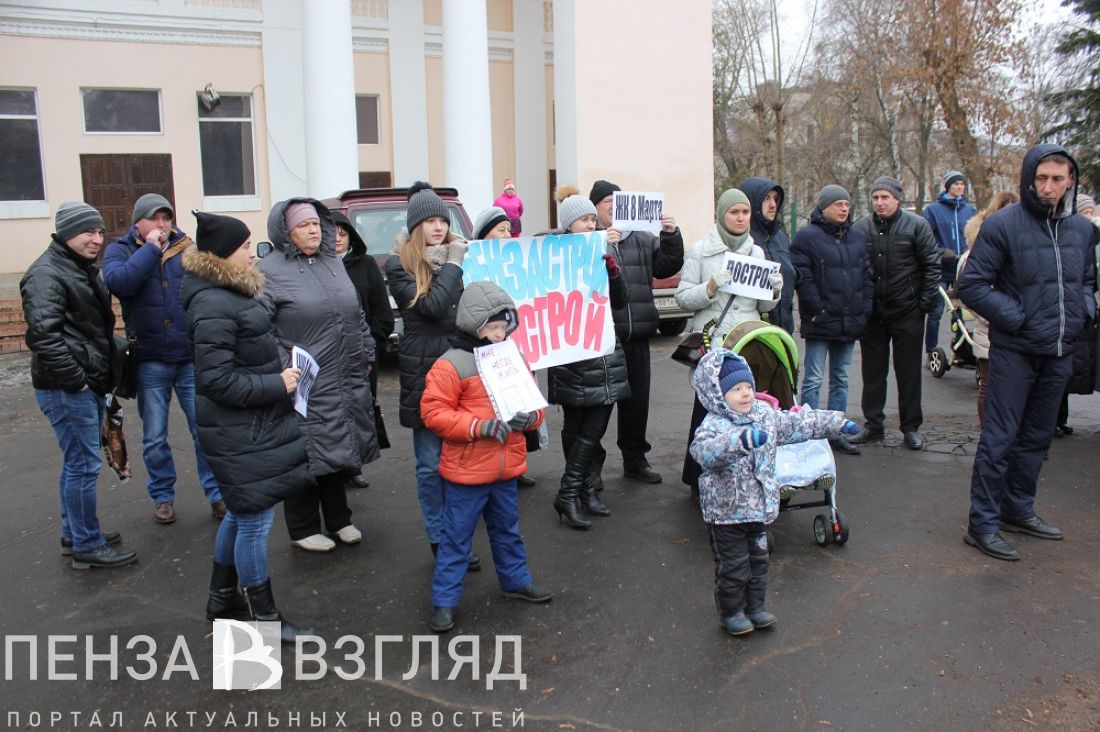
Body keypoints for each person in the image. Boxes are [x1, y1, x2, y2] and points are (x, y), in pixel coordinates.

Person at [957, 144, 1097, 561]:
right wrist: (1017, 318)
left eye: (1058, 178)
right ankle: (982, 523)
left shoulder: (1083, 231)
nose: (1050, 187)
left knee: (1037, 438)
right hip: (1015, 351)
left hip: (1059, 351)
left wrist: (1082, 311)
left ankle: (1017, 509)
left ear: (1070, 180)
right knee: (1000, 439)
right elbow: (972, 284)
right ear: (1029, 180)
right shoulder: (1003, 226)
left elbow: (1087, 280)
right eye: (1042, 179)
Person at [181, 211, 315, 643]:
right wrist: (275, 383)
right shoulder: (213, 302)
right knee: (254, 521)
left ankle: (222, 599)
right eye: (244, 247)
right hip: (239, 429)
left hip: (248, 425)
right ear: (222, 254)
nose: (253, 254)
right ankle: (264, 618)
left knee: (241, 513)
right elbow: (215, 379)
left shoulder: (230, 293)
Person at [690, 350, 858, 635]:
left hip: (759, 510)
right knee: (733, 567)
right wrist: (740, 441)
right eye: (735, 389)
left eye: (748, 387)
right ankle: (732, 612)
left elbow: (799, 423)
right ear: (717, 394)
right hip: (726, 515)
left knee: (759, 563)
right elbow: (705, 453)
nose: (745, 394)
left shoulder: (765, 416)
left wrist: (836, 423)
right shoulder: (713, 425)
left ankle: (755, 607)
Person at [420, 281, 552, 633]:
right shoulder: (451, 364)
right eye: (492, 328)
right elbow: (433, 413)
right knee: (456, 537)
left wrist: (531, 419)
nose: (499, 334)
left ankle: (515, 581)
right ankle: (444, 601)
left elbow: (535, 404)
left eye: (503, 327)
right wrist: (479, 426)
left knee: (508, 530)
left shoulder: (512, 356)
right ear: (473, 325)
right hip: (467, 473)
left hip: (505, 468)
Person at [22, 201, 138, 569]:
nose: (97, 238)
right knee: (84, 465)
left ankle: (75, 532)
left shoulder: (77, 267)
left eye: (100, 231)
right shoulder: (46, 274)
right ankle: (87, 543)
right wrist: (77, 382)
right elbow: (43, 336)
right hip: (66, 387)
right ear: (67, 232)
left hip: (80, 382)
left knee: (76, 462)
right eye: (88, 231)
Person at [258, 198, 378, 553]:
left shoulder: (331, 263)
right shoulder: (270, 270)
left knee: (338, 447)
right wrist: (285, 366)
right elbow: (260, 328)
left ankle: (340, 518)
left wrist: (367, 350)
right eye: (303, 225)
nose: (313, 230)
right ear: (285, 231)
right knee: (305, 451)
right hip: (303, 380)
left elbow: (355, 314)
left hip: (344, 374)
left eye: (315, 224)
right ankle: (303, 526)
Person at [102, 193, 225, 524]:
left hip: (187, 356)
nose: (162, 225)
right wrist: (150, 250)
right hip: (149, 359)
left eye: (166, 218)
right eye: (155, 219)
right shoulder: (120, 250)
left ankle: (216, 494)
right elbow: (121, 284)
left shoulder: (187, 247)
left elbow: (211, 285)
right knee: (155, 435)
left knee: (204, 429)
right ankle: (163, 495)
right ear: (138, 222)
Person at [386, 182, 479, 570]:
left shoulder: (462, 257)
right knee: (430, 464)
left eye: (443, 219)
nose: (438, 227)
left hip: (460, 367)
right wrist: (456, 264)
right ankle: (439, 538)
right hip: (424, 372)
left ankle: (458, 538)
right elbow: (433, 305)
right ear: (415, 226)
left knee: (462, 460)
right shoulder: (399, 265)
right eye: (429, 220)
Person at [676, 188, 782, 493]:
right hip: (715, 347)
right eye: (734, 212)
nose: (740, 218)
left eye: (745, 212)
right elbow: (683, 298)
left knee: (743, 411)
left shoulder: (757, 253)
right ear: (722, 215)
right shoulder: (699, 250)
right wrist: (709, 287)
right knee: (707, 414)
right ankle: (698, 478)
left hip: (746, 345)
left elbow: (762, 308)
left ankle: (740, 478)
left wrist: (774, 292)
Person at [546, 189, 631, 528]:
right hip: (571, 355)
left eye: (593, 219)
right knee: (577, 427)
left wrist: (612, 271)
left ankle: (574, 492)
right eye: (585, 219)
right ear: (569, 226)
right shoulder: (552, 256)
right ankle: (575, 492)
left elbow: (620, 301)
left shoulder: (603, 251)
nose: (591, 224)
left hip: (602, 353)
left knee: (593, 428)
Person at [589, 178, 685, 483]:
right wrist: (601, 243)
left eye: (618, 202)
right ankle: (591, 466)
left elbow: (666, 265)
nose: (613, 208)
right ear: (595, 209)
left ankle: (635, 458)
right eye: (607, 203)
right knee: (598, 405)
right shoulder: (588, 240)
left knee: (636, 402)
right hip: (602, 338)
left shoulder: (644, 238)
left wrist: (670, 235)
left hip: (638, 334)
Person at [851, 176, 940, 451]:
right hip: (874, 315)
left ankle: (910, 427)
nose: (879, 202)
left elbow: (932, 266)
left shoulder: (917, 226)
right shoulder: (861, 228)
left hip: (907, 312)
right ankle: (873, 425)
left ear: (897, 199)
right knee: (873, 373)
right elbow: (854, 268)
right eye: (875, 197)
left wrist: (922, 304)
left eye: (885, 197)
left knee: (909, 373)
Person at [790, 185, 873, 455]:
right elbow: (803, 277)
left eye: (847, 204)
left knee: (841, 378)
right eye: (838, 204)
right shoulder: (806, 238)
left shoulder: (858, 238)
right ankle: (808, 432)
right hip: (821, 321)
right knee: (813, 378)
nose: (844, 208)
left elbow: (867, 276)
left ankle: (836, 432)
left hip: (850, 320)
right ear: (824, 207)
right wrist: (816, 309)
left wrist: (864, 308)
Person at [471, 206, 538, 489]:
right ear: (486, 234)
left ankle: (515, 464)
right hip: (487, 343)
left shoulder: (515, 260)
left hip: (511, 342)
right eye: (501, 230)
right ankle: (490, 463)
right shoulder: (473, 261)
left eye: (509, 230)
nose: (507, 235)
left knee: (516, 402)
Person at [333, 212, 394, 490]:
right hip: (328, 355)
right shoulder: (315, 266)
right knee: (332, 412)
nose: (336, 238)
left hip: (361, 353)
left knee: (360, 408)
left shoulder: (365, 265)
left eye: (342, 233)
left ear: (350, 237)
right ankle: (335, 465)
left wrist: (373, 344)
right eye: (330, 232)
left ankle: (354, 465)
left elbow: (382, 311)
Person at [957, 191, 1019, 427]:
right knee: (988, 385)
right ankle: (988, 431)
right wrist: (999, 315)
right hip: (990, 327)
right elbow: (971, 290)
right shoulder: (978, 250)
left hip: (1017, 329)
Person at [922, 170, 977, 365]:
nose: (960, 187)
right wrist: (940, 252)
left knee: (960, 312)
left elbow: (976, 236)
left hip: (962, 268)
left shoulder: (969, 211)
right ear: (948, 187)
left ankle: (960, 350)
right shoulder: (933, 210)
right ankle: (931, 352)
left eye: (962, 184)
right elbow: (925, 238)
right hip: (941, 268)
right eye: (956, 184)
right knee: (936, 311)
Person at [738, 176, 796, 334]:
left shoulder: (780, 237)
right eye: (766, 198)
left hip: (784, 327)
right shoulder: (741, 239)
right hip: (754, 330)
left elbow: (790, 273)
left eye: (775, 199)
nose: (772, 204)